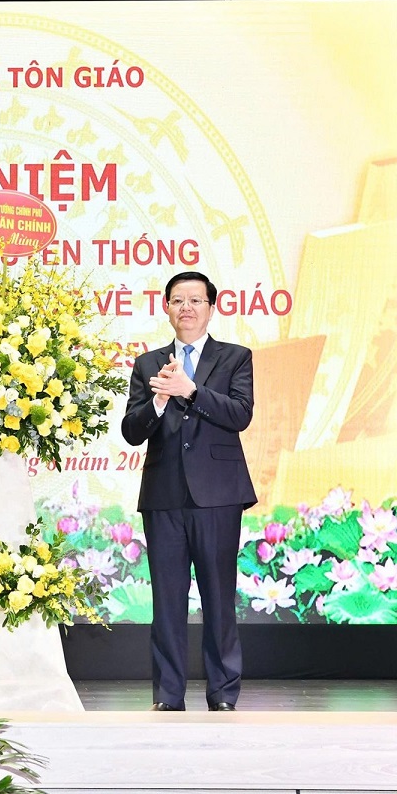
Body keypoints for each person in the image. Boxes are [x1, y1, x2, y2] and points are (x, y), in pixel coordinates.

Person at [121, 270, 256, 712]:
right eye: (178, 300)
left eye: (196, 300)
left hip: (218, 495)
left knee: (218, 597)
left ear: (211, 308)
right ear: (166, 308)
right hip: (164, 496)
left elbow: (240, 414)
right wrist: (159, 401)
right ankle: (168, 695)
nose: (187, 308)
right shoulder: (148, 364)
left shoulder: (235, 357)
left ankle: (223, 693)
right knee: (167, 600)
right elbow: (131, 431)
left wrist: (191, 391)